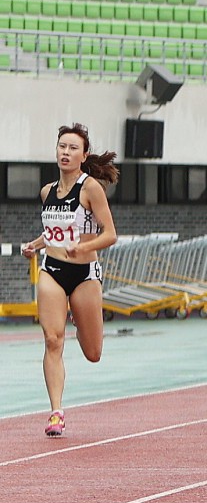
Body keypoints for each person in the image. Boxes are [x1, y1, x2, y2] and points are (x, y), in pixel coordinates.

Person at [21, 123, 119, 437]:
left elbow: (110, 235)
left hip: (84, 274)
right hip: (52, 271)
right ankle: (56, 413)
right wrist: (35, 245)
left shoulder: (90, 188)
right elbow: (54, 233)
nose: (66, 152)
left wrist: (84, 247)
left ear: (83, 154)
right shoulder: (47, 192)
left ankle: (80, 312)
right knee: (52, 340)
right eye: (62, 146)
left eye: (73, 148)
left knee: (93, 353)